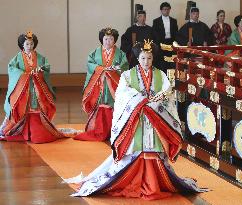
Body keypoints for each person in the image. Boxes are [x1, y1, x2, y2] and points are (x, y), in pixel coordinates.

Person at [64, 40, 208, 200]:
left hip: (154, 120)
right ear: (137, 59)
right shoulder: (127, 75)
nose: (146, 62)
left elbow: (167, 94)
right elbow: (122, 96)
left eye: (149, 58)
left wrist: (157, 100)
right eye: (143, 58)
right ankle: (133, 180)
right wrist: (140, 100)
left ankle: (154, 182)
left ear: (153, 58)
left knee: (153, 147)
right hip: (136, 119)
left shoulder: (161, 75)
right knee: (134, 149)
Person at [0, 31, 64, 143]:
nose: (29, 46)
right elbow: (12, 69)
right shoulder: (17, 58)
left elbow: (46, 67)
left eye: (31, 44)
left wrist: (41, 70)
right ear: (22, 45)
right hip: (23, 89)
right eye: (27, 44)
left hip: (36, 88)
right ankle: (18, 130)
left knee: (37, 108)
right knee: (20, 107)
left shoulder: (40, 58)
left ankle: (38, 129)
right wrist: (24, 75)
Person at [74, 27, 129, 141]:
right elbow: (90, 64)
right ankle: (97, 129)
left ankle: (114, 131)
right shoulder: (94, 53)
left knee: (114, 106)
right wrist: (101, 69)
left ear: (115, 40)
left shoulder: (120, 54)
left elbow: (124, 66)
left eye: (111, 39)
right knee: (98, 106)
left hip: (114, 86)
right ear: (101, 40)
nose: (108, 41)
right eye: (106, 39)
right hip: (99, 84)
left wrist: (114, 69)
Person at [152, 2, 178, 73]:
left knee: (171, 63)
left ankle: (171, 79)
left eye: (168, 9)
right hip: (161, 44)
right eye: (165, 9)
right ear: (161, 10)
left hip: (171, 43)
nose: (166, 11)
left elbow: (176, 33)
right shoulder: (156, 21)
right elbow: (155, 34)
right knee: (162, 63)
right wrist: (159, 45)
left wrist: (175, 43)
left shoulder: (174, 21)